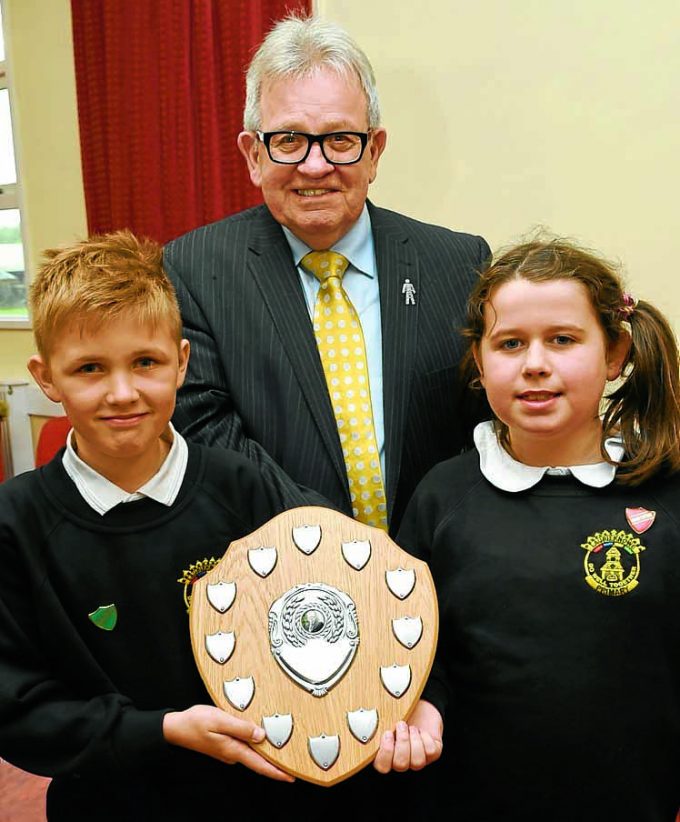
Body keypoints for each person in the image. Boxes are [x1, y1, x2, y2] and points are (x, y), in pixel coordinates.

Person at [0, 231, 439, 821]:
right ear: (47, 377)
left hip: (267, 796)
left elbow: (343, 603)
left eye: (146, 362)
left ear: (182, 362)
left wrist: (398, 697)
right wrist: (160, 730)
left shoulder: (245, 487)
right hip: (112, 801)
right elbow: (16, 708)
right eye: (89, 369)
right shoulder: (15, 523)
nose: (122, 392)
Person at [164, 14, 490, 537]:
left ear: (374, 151)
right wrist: (342, 545)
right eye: (289, 140)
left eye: (340, 139)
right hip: (280, 575)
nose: (315, 166)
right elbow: (207, 436)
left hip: (438, 564)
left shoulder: (458, 263)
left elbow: (482, 430)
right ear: (253, 155)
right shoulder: (194, 270)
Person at [397, 238, 680, 821]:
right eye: (509, 344)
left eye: (562, 339)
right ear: (479, 361)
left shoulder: (667, 492)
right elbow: (412, 645)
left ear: (615, 352)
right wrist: (421, 703)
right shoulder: (444, 496)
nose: (534, 364)